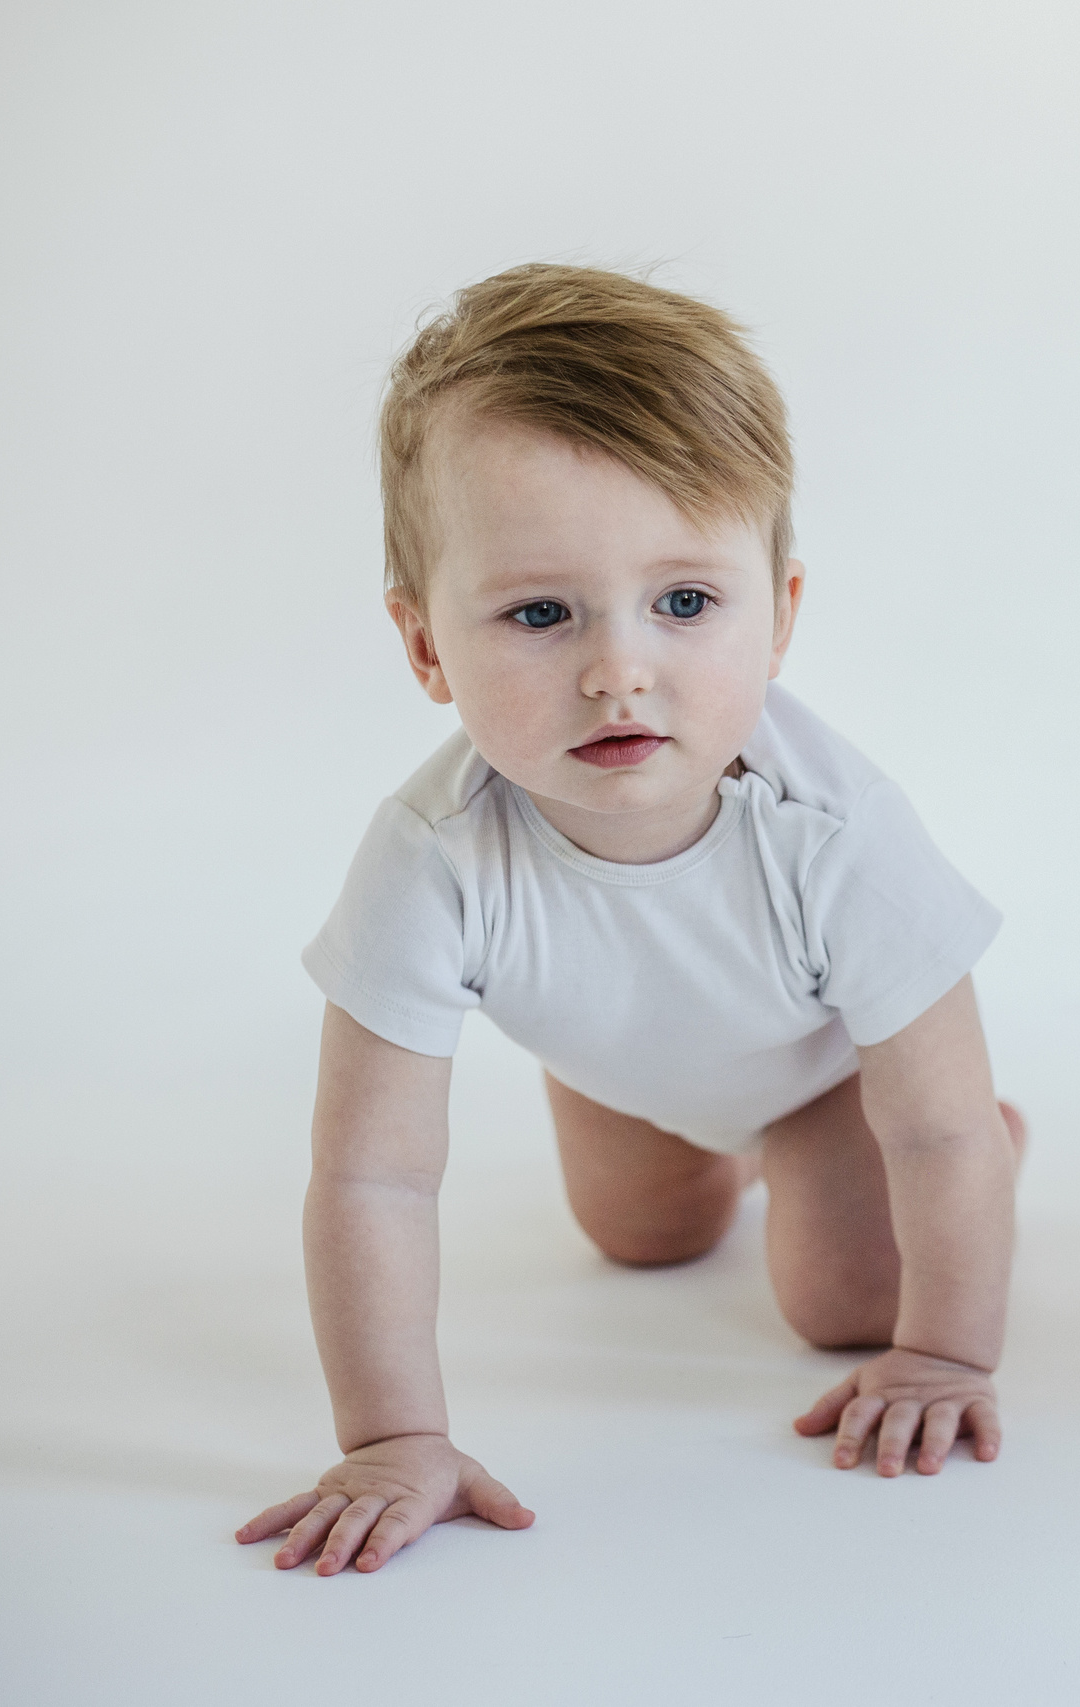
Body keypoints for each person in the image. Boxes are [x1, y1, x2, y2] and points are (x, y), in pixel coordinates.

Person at [237, 265, 1020, 1576]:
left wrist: (947, 1354)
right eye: (540, 614)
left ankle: (990, 1148)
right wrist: (392, 1439)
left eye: (686, 603)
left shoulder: (833, 835)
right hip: (620, 1065)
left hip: (834, 1080)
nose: (619, 671)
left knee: (844, 1299)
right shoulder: (433, 854)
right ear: (425, 646)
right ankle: (727, 1160)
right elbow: (372, 1175)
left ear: (780, 617)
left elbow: (929, 1126)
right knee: (643, 1241)